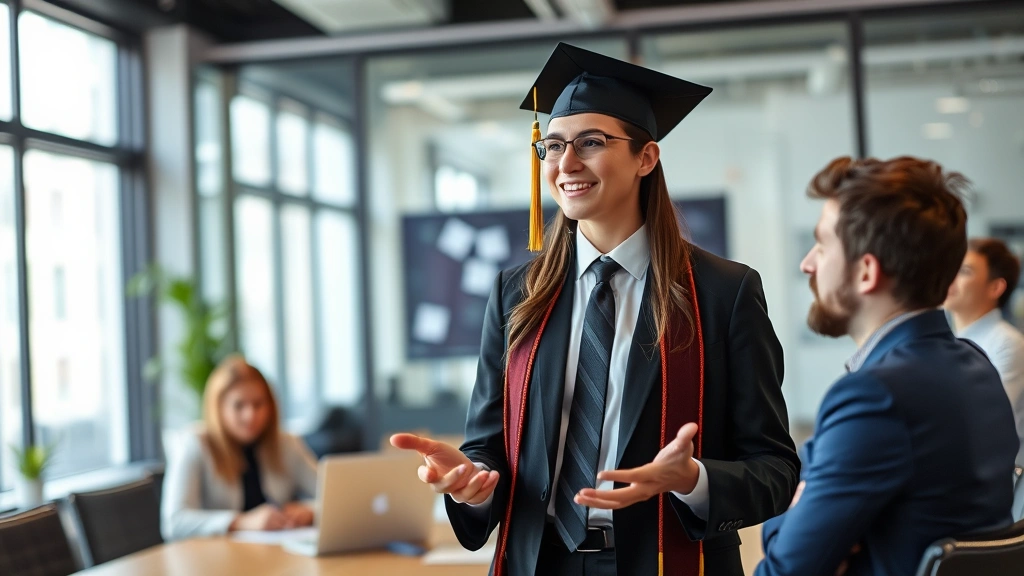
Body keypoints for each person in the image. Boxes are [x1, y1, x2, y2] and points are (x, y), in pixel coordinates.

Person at [392, 42, 799, 576]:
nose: (566, 163)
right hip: (538, 563)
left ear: (646, 158)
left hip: (665, 563)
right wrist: (473, 484)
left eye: (591, 142)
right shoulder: (516, 294)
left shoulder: (724, 292)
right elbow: (489, 448)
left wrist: (693, 480)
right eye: (553, 146)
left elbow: (775, 469)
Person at [756, 157, 1019, 576]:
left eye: (822, 246)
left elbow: (783, 569)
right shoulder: (975, 364)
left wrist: (786, 516)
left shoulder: (875, 396)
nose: (808, 264)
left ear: (866, 272)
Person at [161, 355, 318, 540]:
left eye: (258, 404)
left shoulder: (286, 443)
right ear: (219, 408)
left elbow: (334, 495)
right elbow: (174, 523)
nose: (250, 415)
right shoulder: (195, 444)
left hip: (278, 549)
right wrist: (240, 522)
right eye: (239, 405)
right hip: (218, 555)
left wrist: (311, 511)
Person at [945, 237, 1024, 465]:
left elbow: (988, 423)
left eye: (964, 271)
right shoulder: (947, 341)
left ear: (995, 287)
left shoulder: (1007, 343)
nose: (950, 277)